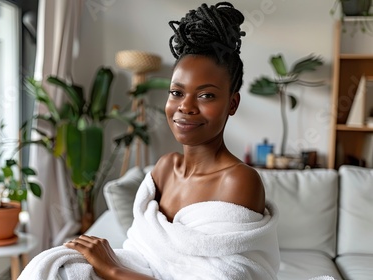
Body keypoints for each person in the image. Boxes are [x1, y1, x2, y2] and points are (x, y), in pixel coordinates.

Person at [19, 2, 280, 279]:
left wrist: (112, 269)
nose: (185, 107)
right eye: (177, 93)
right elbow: (146, 255)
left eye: (206, 95)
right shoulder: (165, 169)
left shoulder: (239, 181)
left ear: (232, 103)